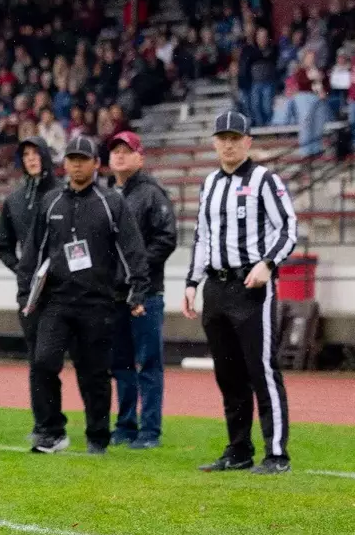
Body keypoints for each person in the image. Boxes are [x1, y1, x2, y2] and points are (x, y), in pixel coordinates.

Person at [183, 110, 298, 475]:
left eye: (236, 138)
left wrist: (268, 264)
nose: (229, 144)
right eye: (223, 138)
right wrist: (191, 282)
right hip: (216, 287)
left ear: (248, 142)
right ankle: (238, 449)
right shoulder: (209, 184)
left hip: (251, 287)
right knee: (227, 373)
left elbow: (288, 228)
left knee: (261, 369)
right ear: (215, 142)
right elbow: (202, 236)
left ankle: (276, 453)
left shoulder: (265, 179)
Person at [22, 135, 149, 454]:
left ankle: (97, 436)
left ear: (96, 164)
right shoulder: (50, 202)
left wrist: (136, 291)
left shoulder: (111, 202)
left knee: (94, 373)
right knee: (43, 362)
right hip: (56, 301)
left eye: (83, 158)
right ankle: (51, 430)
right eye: (71, 159)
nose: (77, 164)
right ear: (64, 164)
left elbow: (131, 249)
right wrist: (27, 295)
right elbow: (34, 252)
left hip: (97, 302)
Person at [105, 132, 177, 449]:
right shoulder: (106, 196)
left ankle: (150, 430)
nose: (119, 156)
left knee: (148, 362)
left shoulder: (152, 194)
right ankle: (124, 426)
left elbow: (166, 238)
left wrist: (136, 269)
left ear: (140, 157)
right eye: (115, 151)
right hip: (115, 293)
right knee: (120, 362)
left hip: (146, 292)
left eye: (126, 151)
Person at [0, 137, 54, 359]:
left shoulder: (63, 193)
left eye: (36, 153)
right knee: (38, 359)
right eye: (26, 155)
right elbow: (3, 245)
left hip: (64, 290)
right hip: (29, 292)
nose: (31, 159)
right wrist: (22, 269)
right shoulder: (14, 200)